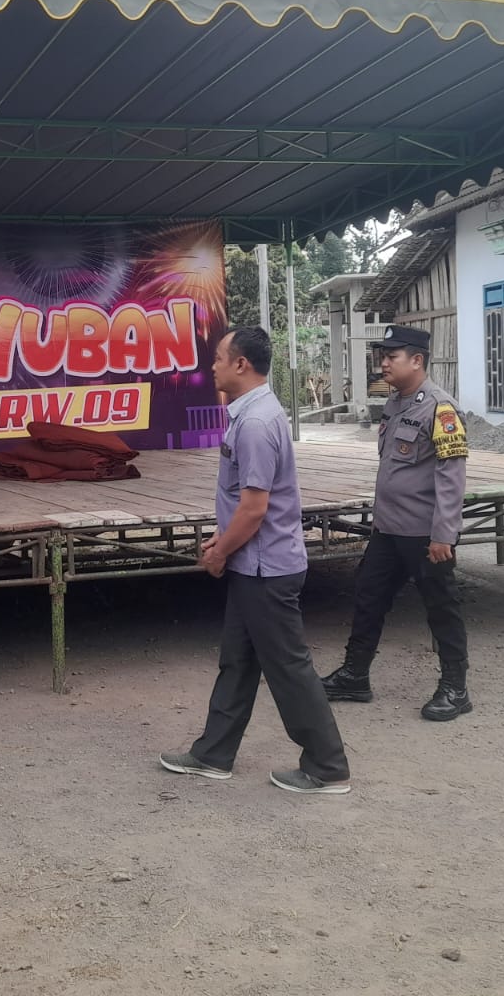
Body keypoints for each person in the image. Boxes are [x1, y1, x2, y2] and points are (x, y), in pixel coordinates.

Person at [159, 326, 352, 795]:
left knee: (288, 668)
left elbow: (254, 508)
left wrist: (220, 550)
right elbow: (242, 504)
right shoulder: (250, 414)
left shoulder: (256, 423)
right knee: (238, 661)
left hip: (267, 569)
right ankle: (213, 754)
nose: (212, 367)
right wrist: (223, 540)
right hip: (255, 564)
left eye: (218, 358)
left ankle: (327, 767)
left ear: (241, 364)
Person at [322, 325, 472, 721]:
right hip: (388, 530)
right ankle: (355, 675)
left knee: (441, 607)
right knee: (368, 597)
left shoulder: (440, 409)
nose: (384, 364)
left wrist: (444, 535)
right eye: (383, 357)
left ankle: (455, 688)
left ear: (417, 360)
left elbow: (451, 478)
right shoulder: (395, 403)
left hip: (425, 534)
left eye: (392, 357)